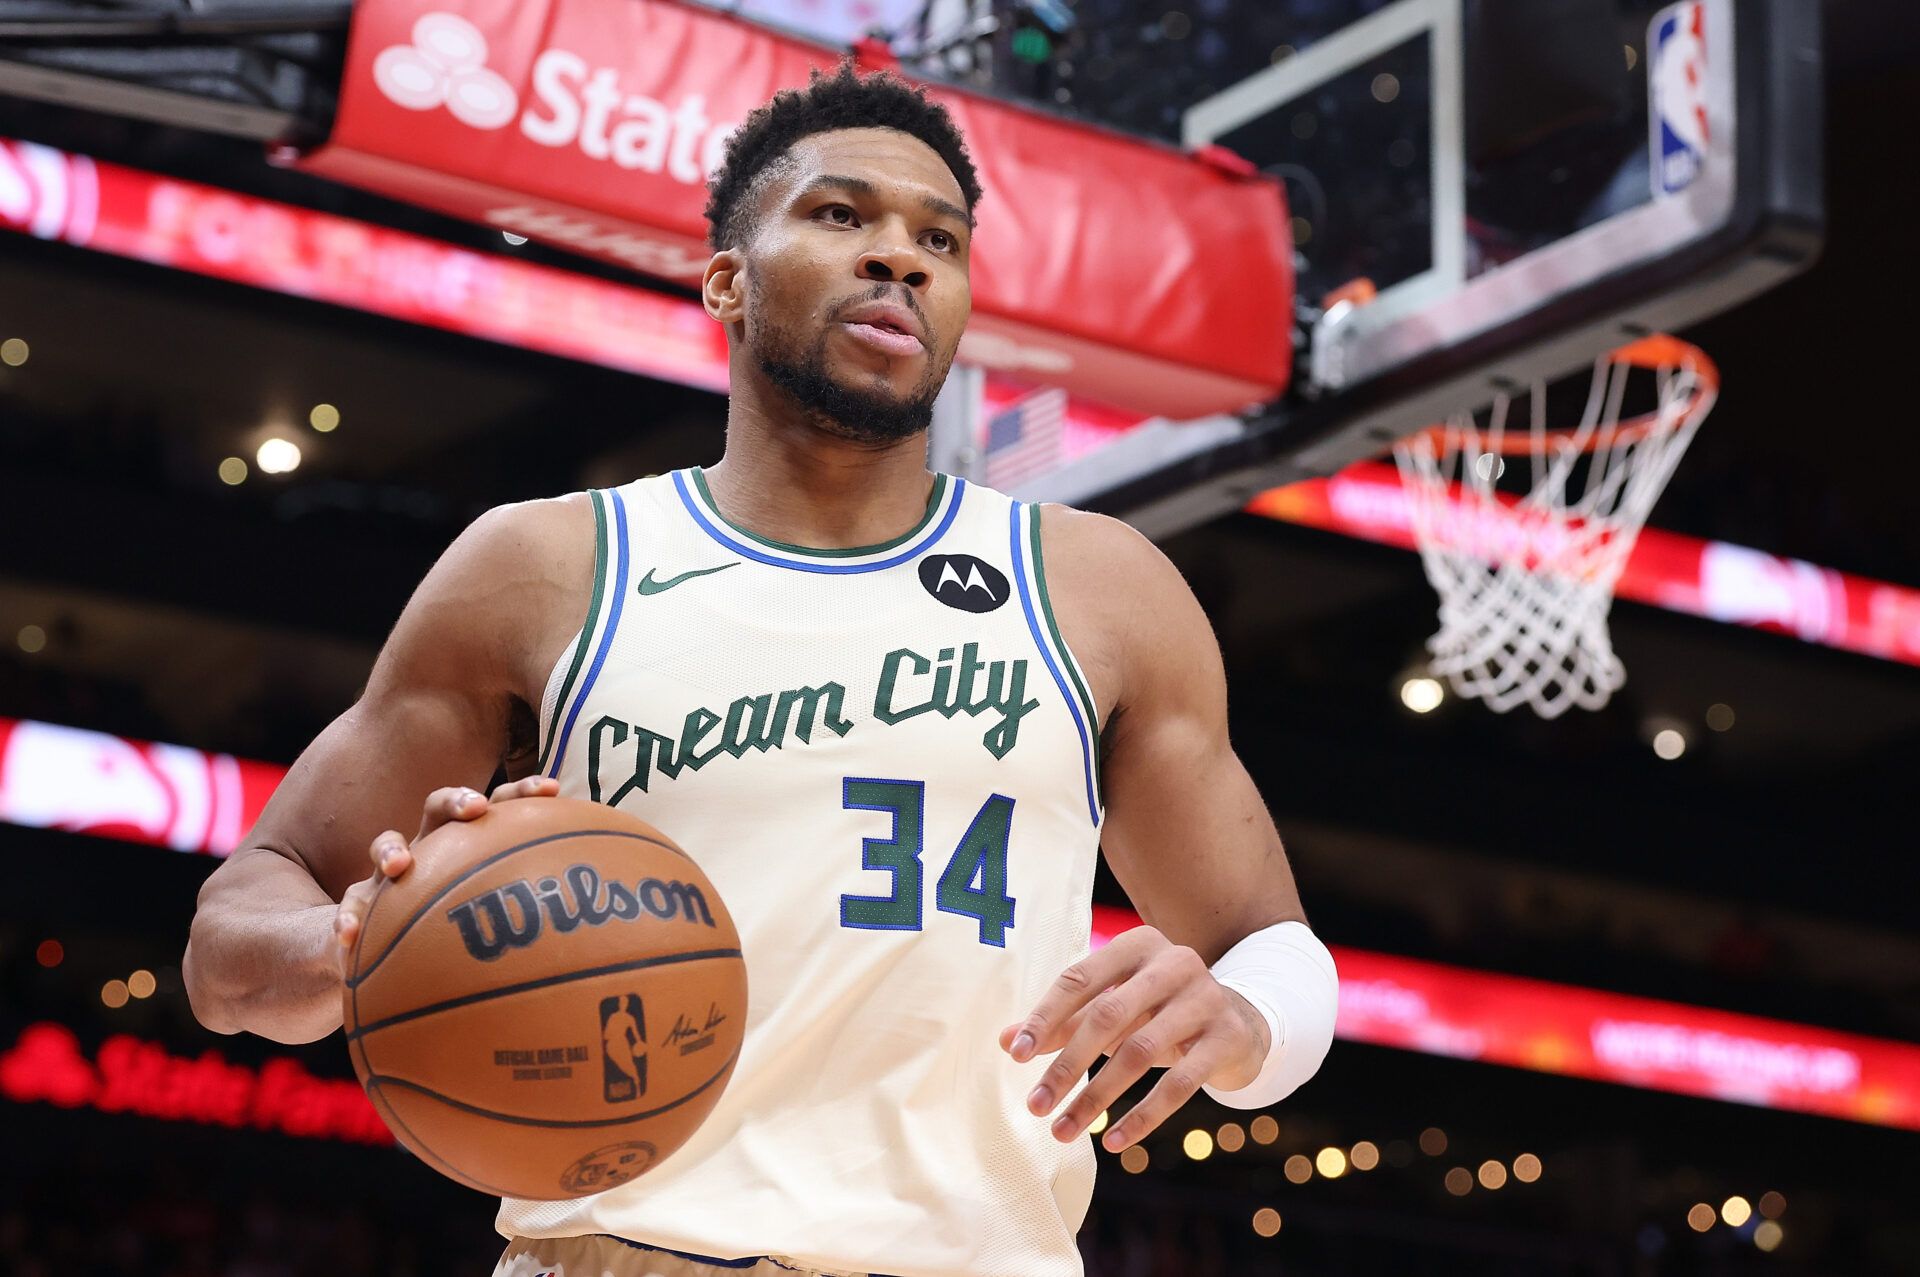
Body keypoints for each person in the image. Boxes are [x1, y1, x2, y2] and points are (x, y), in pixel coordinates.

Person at [183, 63, 1337, 1277]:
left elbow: (1277, 947)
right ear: (727, 280)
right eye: (842, 215)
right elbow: (233, 935)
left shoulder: (1100, 589)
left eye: (937, 238)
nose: (899, 255)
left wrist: (1242, 1018)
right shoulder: (546, 566)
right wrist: (348, 941)